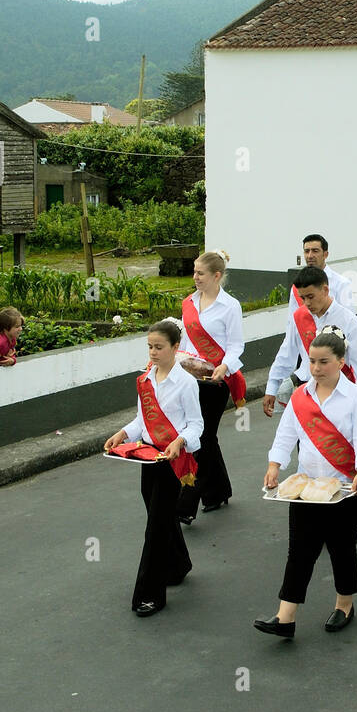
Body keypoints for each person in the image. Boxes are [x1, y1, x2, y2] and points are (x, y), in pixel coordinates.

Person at [255, 326, 357, 638]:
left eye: (323, 362)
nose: (316, 369)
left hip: (346, 488)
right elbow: (286, 435)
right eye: (312, 362)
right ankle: (285, 617)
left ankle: (344, 604)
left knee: (341, 548)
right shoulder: (299, 396)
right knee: (300, 550)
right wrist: (274, 465)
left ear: (341, 362)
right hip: (307, 488)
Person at [103, 319, 203, 617]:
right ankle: (179, 564)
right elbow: (141, 422)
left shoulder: (186, 384)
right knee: (159, 517)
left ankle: (150, 594)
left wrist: (180, 441)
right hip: (148, 458)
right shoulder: (146, 380)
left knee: (155, 528)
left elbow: (197, 424)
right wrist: (123, 433)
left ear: (175, 347)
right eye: (150, 347)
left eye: (159, 347)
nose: (154, 352)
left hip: (173, 461)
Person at [175, 250, 245, 522]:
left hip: (216, 381)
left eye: (200, 273)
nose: (195, 277)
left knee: (200, 438)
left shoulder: (230, 306)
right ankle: (218, 491)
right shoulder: (189, 303)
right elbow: (186, 342)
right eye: (194, 272)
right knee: (206, 437)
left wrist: (224, 367)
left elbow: (236, 345)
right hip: (190, 379)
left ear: (217, 276)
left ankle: (186, 505)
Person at [265, 266, 357, 413]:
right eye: (303, 298)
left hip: (340, 393)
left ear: (325, 290)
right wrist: (272, 387)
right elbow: (286, 354)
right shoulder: (299, 317)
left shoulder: (348, 321)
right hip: (308, 390)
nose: (307, 303)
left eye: (311, 297)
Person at [288, 234, 354, 312]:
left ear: (325, 254)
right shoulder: (297, 287)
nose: (310, 256)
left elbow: (347, 319)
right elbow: (292, 320)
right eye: (307, 251)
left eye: (315, 251)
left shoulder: (341, 284)